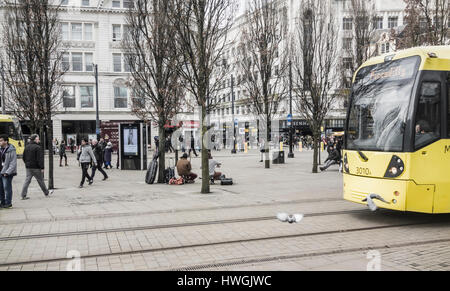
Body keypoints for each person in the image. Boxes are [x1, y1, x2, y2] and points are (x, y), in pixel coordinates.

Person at [21, 134, 54, 200]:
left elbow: (23, 157)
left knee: (27, 181)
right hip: (36, 167)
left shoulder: (27, 146)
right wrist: (42, 167)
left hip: (28, 167)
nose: (39, 140)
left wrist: (27, 163)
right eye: (38, 138)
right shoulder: (38, 147)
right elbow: (40, 159)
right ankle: (46, 192)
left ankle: (23, 195)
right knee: (40, 181)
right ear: (35, 139)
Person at [0, 135, 17, 209]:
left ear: (6, 141)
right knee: (1, 189)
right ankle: (2, 202)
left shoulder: (11, 149)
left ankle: (8, 203)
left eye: (1, 140)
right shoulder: (0, 149)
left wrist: (7, 172)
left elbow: (13, 163)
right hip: (0, 171)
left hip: (7, 173)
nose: (0, 142)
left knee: (7, 188)